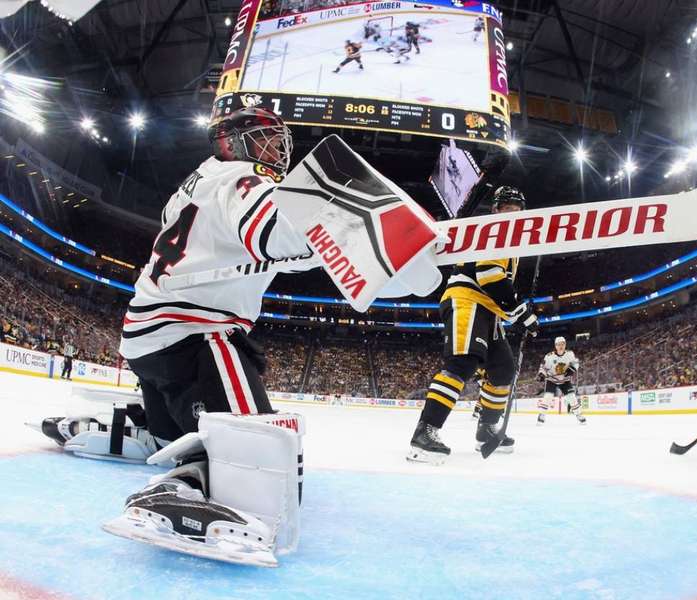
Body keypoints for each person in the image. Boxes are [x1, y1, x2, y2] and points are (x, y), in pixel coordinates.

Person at [100, 106, 441, 565]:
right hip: (197, 331)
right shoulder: (243, 178)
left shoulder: (195, 185)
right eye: (264, 138)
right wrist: (353, 225)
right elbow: (274, 235)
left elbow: (284, 251)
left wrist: (361, 250)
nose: (275, 150)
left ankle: (153, 428)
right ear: (231, 141)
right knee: (270, 459)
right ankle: (176, 489)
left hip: (146, 335)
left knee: (197, 425)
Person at [407, 186, 539, 464]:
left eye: (517, 208)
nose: (512, 213)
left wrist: (514, 311)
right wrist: (519, 309)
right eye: (507, 207)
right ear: (496, 209)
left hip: (488, 311)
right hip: (467, 300)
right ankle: (425, 430)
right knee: (463, 363)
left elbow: (496, 282)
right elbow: (489, 274)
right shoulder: (496, 229)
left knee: (503, 370)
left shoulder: (512, 240)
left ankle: (486, 431)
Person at [537, 336, 585, 425]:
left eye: (562, 344)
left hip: (565, 380)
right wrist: (541, 374)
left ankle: (579, 415)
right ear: (555, 346)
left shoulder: (570, 354)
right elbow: (543, 367)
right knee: (548, 397)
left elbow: (576, 363)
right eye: (558, 344)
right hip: (552, 379)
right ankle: (542, 415)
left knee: (572, 397)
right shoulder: (549, 356)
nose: (561, 346)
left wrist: (572, 369)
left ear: (565, 344)